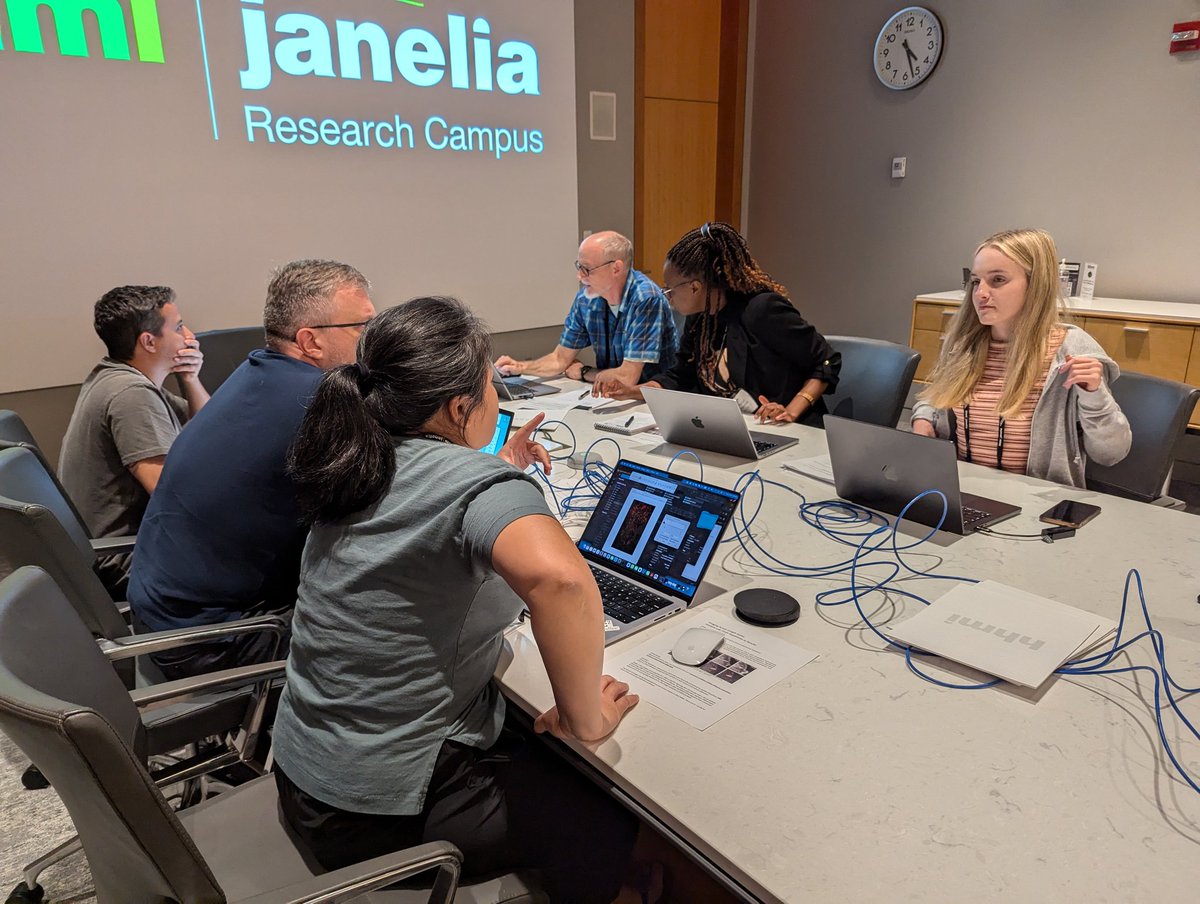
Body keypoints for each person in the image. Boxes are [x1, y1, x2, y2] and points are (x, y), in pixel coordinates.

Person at [272, 296, 646, 902]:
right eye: (491, 385)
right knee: (607, 806)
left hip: (303, 772)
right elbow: (563, 582)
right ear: (459, 406)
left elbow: (424, 512)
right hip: (375, 812)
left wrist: (492, 466)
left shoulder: (354, 458)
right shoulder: (476, 488)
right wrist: (586, 716)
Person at [127, 260, 374, 680]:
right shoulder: (317, 401)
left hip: (161, 613)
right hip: (212, 640)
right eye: (362, 328)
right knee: (393, 632)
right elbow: (403, 498)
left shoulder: (256, 372)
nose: (374, 339)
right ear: (310, 340)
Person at [911, 228, 1131, 487]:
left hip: (1035, 504)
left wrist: (1095, 397)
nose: (981, 293)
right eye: (975, 281)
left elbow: (1111, 453)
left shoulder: (1070, 351)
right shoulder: (963, 345)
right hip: (961, 491)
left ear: (1035, 284)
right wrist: (924, 419)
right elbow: (935, 400)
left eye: (998, 280)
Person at [595, 222, 840, 426]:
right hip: (735, 428)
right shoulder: (701, 316)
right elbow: (681, 375)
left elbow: (825, 361)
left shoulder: (761, 310)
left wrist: (792, 410)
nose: (666, 296)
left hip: (789, 431)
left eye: (669, 289)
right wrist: (633, 391)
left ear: (695, 287)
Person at [59, 285, 208, 598]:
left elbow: (210, 428)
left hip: (122, 547)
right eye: (179, 326)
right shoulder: (131, 394)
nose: (189, 336)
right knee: (263, 557)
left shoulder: (121, 377)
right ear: (149, 341)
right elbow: (171, 492)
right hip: (122, 560)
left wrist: (190, 379)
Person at [494, 230, 678, 385]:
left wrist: (584, 372)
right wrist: (520, 367)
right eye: (579, 267)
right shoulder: (586, 298)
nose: (580, 276)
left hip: (648, 402)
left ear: (616, 268)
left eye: (587, 269)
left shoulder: (646, 299)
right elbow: (560, 359)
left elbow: (627, 378)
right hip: (607, 395)